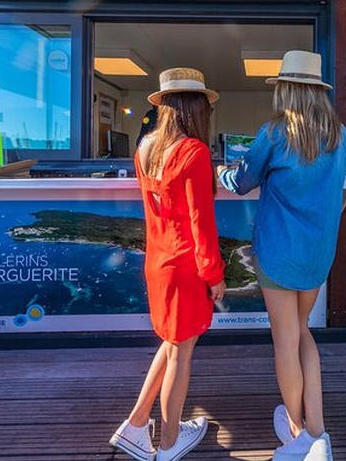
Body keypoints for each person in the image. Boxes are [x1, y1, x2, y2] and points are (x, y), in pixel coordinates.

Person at [216, 50, 346, 461]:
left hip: (277, 252)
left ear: (286, 90)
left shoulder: (275, 133)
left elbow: (240, 182)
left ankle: (298, 435)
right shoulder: (338, 134)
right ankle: (318, 431)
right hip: (316, 254)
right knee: (303, 333)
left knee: (285, 341)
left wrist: (220, 170)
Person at [110, 67, 227, 461]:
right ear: (195, 108)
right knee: (181, 353)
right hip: (186, 266)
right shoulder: (194, 152)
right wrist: (215, 275)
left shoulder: (144, 148)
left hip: (158, 262)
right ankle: (170, 441)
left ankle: (137, 424)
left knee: (172, 343)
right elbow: (201, 223)